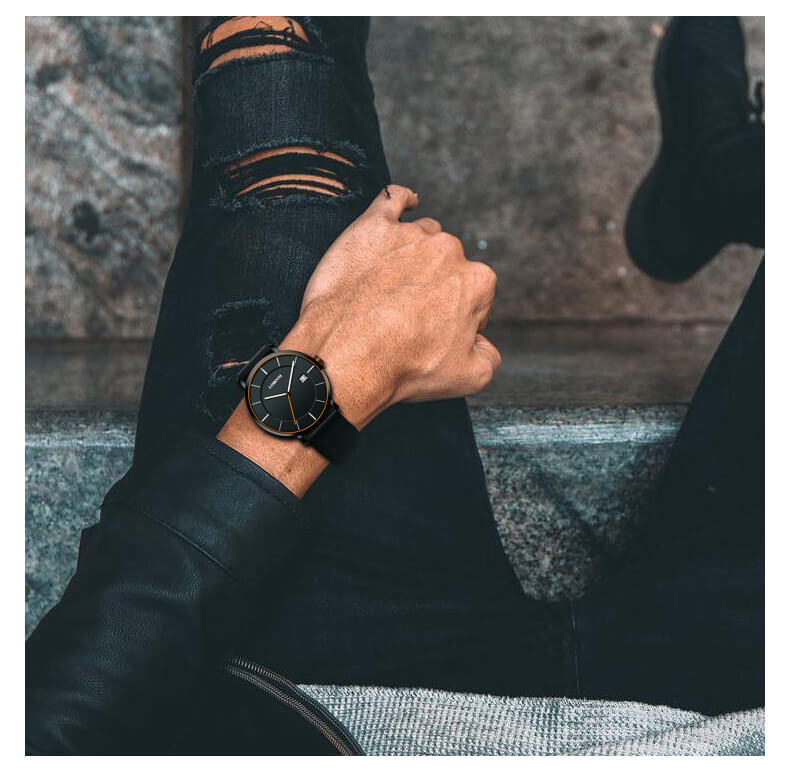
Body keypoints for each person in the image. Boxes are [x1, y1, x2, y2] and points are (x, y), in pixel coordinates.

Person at [26, 16, 764, 755]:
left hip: (315, 687)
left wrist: (333, 377)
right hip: (748, 697)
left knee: (267, 49)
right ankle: (722, 172)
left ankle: (718, 174)